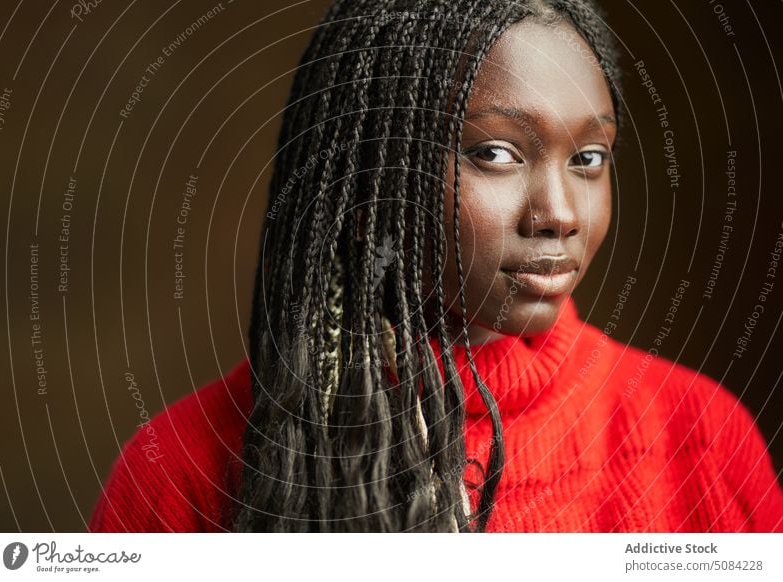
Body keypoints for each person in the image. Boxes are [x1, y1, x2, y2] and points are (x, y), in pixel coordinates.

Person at [88, 0, 783, 533]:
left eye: (589, 158)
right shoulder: (183, 467)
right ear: (369, 175)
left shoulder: (701, 439)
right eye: (497, 153)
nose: (559, 212)